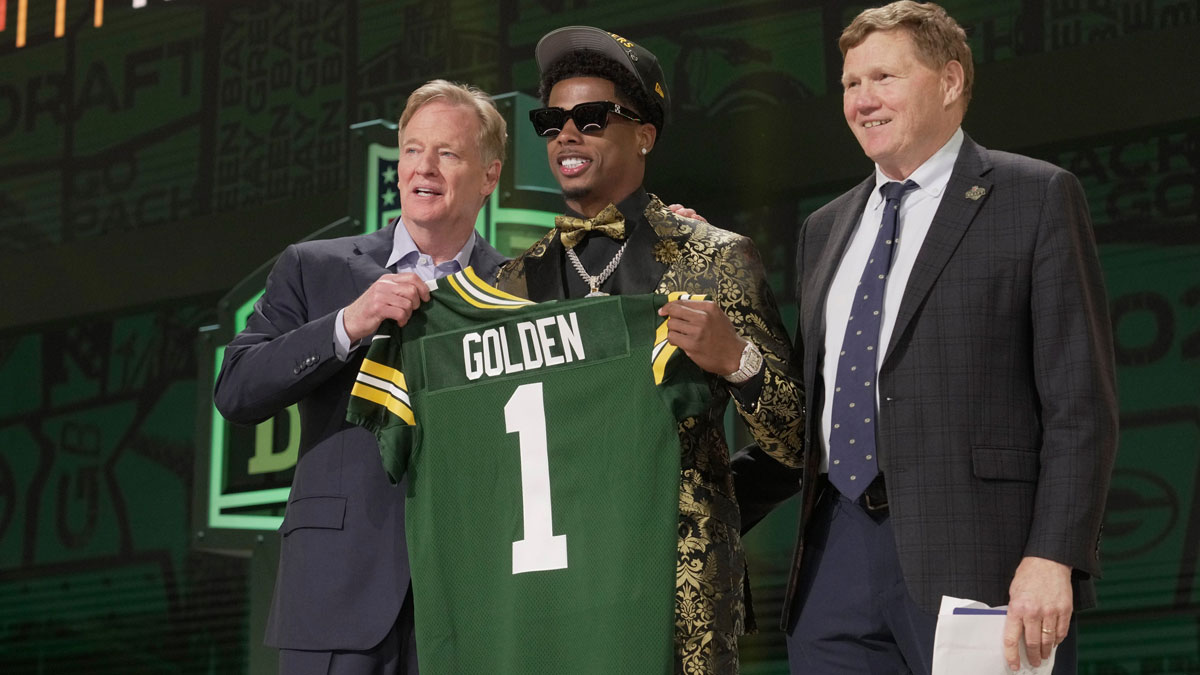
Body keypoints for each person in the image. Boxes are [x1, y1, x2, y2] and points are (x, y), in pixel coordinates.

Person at [732, 2, 1118, 673]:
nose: (861, 100)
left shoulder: (1035, 197)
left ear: (948, 82)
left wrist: (1053, 554)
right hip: (835, 561)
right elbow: (808, 410)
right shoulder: (824, 228)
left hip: (984, 561)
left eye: (883, 77)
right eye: (851, 84)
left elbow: (1079, 404)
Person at [494, 26, 804, 673]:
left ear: (644, 133)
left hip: (678, 599)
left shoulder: (715, 256)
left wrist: (735, 366)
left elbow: (798, 442)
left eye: (591, 117)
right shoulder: (510, 285)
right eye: (552, 121)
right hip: (551, 593)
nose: (567, 135)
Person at [213, 79, 508, 675]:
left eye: (447, 153)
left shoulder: (519, 289)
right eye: (412, 150)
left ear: (489, 175)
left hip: (473, 598)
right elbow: (237, 388)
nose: (423, 167)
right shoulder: (312, 268)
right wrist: (349, 323)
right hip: (335, 593)